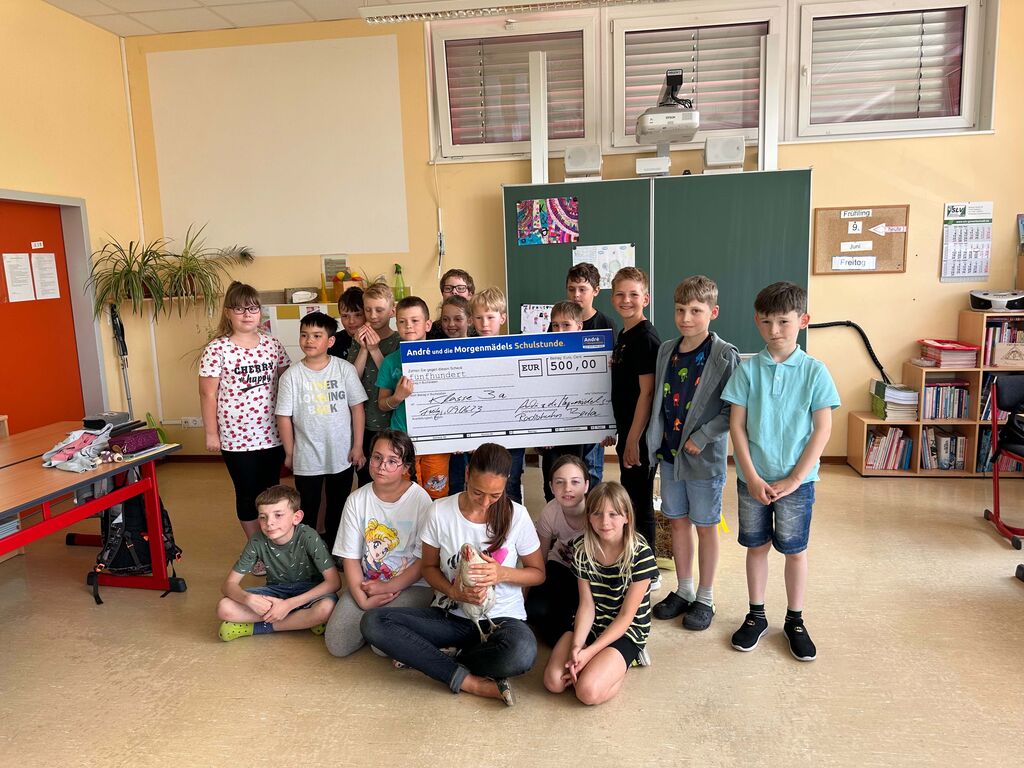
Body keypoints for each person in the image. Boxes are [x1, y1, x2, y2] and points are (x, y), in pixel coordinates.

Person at [360, 443, 545, 706]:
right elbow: (428, 568)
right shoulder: (440, 511)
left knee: (522, 653)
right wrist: (453, 592)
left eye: (495, 495)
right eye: (477, 492)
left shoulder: (518, 515)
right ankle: (467, 680)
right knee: (374, 622)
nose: (485, 502)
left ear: (507, 484)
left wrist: (501, 573)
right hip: (451, 617)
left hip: (502, 619)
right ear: (467, 474)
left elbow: (538, 574)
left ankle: (440, 659)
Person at [721, 281, 840, 661]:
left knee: (794, 551)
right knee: (756, 547)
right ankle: (756, 615)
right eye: (766, 321)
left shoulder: (815, 372)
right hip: (752, 479)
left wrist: (794, 478)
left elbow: (822, 430)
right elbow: (737, 426)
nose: (774, 330)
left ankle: (795, 620)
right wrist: (752, 476)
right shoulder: (747, 370)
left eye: (784, 321)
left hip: (797, 482)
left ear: (803, 320)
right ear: (756, 320)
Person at [647, 276, 739, 631]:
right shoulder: (667, 350)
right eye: (680, 310)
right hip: (670, 456)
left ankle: (705, 596)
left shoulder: (724, 355)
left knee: (705, 526)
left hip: (703, 459)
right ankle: (684, 589)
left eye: (696, 311)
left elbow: (734, 409)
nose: (686, 318)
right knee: (677, 521)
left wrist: (704, 435)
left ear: (713, 312)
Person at [199, 282, 289, 574]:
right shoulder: (217, 349)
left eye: (252, 308)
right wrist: (211, 433)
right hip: (237, 438)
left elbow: (288, 382)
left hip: (273, 434)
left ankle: (276, 544)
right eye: (239, 309)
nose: (247, 314)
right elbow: (208, 394)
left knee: (272, 492)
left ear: (260, 312)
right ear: (228, 312)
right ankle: (258, 551)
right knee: (248, 494)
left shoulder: (272, 344)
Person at [542, 482, 658, 705]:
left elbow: (626, 616)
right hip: (592, 624)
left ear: (627, 517)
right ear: (588, 517)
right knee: (554, 682)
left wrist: (589, 653)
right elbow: (586, 605)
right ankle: (596, 661)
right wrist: (577, 647)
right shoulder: (582, 548)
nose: (604, 522)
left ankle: (630, 659)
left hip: (625, 631)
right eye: (597, 513)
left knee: (587, 692)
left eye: (613, 514)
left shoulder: (641, 554)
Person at [324, 430, 434, 657]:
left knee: (381, 645)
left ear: (406, 467)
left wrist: (387, 587)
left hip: (412, 585)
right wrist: (361, 599)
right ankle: (371, 621)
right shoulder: (356, 499)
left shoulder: (420, 500)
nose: (382, 466)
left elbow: (424, 561)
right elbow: (350, 557)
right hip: (367, 583)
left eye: (392, 461)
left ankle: (377, 626)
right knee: (337, 645)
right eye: (377, 457)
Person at [276, 311, 367, 548]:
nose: (309, 340)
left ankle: (336, 549)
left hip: (342, 454)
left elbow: (357, 409)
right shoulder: (291, 376)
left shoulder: (344, 369)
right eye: (304, 335)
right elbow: (283, 417)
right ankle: (309, 551)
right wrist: (290, 452)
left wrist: (358, 446)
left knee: (338, 505)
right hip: (306, 456)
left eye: (317, 335)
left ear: (330, 341)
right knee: (308, 506)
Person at [216, 485, 340, 641]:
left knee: (326, 609)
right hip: (276, 591)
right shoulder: (257, 540)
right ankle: (303, 620)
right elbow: (228, 585)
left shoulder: (308, 536)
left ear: (296, 517)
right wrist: (247, 598)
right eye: (263, 517)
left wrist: (288, 605)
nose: (269, 523)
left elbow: (334, 582)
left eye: (278, 515)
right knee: (224, 608)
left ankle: (257, 627)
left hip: (310, 590)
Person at [607, 267, 661, 587]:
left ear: (646, 298)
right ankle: (635, 559)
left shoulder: (645, 338)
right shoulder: (625, 335)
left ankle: (649, 571)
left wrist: (633, 439)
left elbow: (647, 393)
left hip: (638, 435)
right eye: (620, 294)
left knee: (640, 502)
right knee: (631, 496)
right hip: (627, 430)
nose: (626, 300)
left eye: (633, 294)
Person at [377, 296, 450, 499]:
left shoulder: (444, 357)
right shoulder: (390, 362)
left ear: (428, 325)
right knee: (403, 494)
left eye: (415, 320)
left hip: (436, 439)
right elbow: (382, 404)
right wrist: (397, 397)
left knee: (436, 492)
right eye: (402, 321)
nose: (408, 326)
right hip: (402, 440)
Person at [561, 262, 616, 486]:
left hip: (595, 414)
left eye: (582, 289)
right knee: (564, 469)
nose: (576, 295)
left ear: (596, 291)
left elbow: (614, 375)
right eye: (571, 289)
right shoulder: (559, 323)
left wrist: (610, 424)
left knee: (591, 473)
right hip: (565, 411)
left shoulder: (606, 324)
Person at [525, 454, 590, 646]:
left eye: (575, 482)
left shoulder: (596, 511)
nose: (567, 488)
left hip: (589, 574)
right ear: (551, 487)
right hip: (560, 566)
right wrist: (524, 599)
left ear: (586, 485)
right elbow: (539, 559)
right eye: (560, 482)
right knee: (534, 611)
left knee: (563, 627)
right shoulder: (550, 512)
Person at [468, 288, 525, 503]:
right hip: (477, 434)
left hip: (512, 435)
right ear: (471, 320)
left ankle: (510, 522)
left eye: (490, 317)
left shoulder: (516, 350)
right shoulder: (462, 352)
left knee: (510, 483)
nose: (484, 324)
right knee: (480, 484)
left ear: (502, 318)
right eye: (479, 318)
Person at [539, 301, 598, 500]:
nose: (560, 330)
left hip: (580, 433)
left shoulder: (593, 354)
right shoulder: (541, 354)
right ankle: (554, 518)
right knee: (552, 482)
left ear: (579, 326)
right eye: (555, 325)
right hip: (551, 435)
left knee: (580, 479)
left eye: (566, 325)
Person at [348, 282, 400, 488]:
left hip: (392, 422)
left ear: (392, 311)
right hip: (364, 422)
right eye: (368, 310)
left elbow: (395, 381)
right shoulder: (357, 340)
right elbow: (352, 379)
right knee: (366, 477)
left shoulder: (398, 341)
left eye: (379, 310)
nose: (373, 315)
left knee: (391, 475)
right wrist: (363, 349)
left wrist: (375, 350)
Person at [437, 294, 472, 494]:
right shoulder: (433, 352)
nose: (451, 324)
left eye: (458, 319)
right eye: (445, 319)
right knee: (454, 484)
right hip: (448, 436)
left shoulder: (482, 350)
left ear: (469, 320)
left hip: (477, 435)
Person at [428, 268, 477, 340]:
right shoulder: (433, 330)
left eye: (460, 288)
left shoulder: (479, 327)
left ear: (470, 294)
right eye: (448, 288)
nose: (454, 292)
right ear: (442, 294)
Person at [329, 286, 366, 361]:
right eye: (345, 316)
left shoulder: (376, 340)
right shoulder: (333, 342)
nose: (351, 321)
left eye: (358, 315)